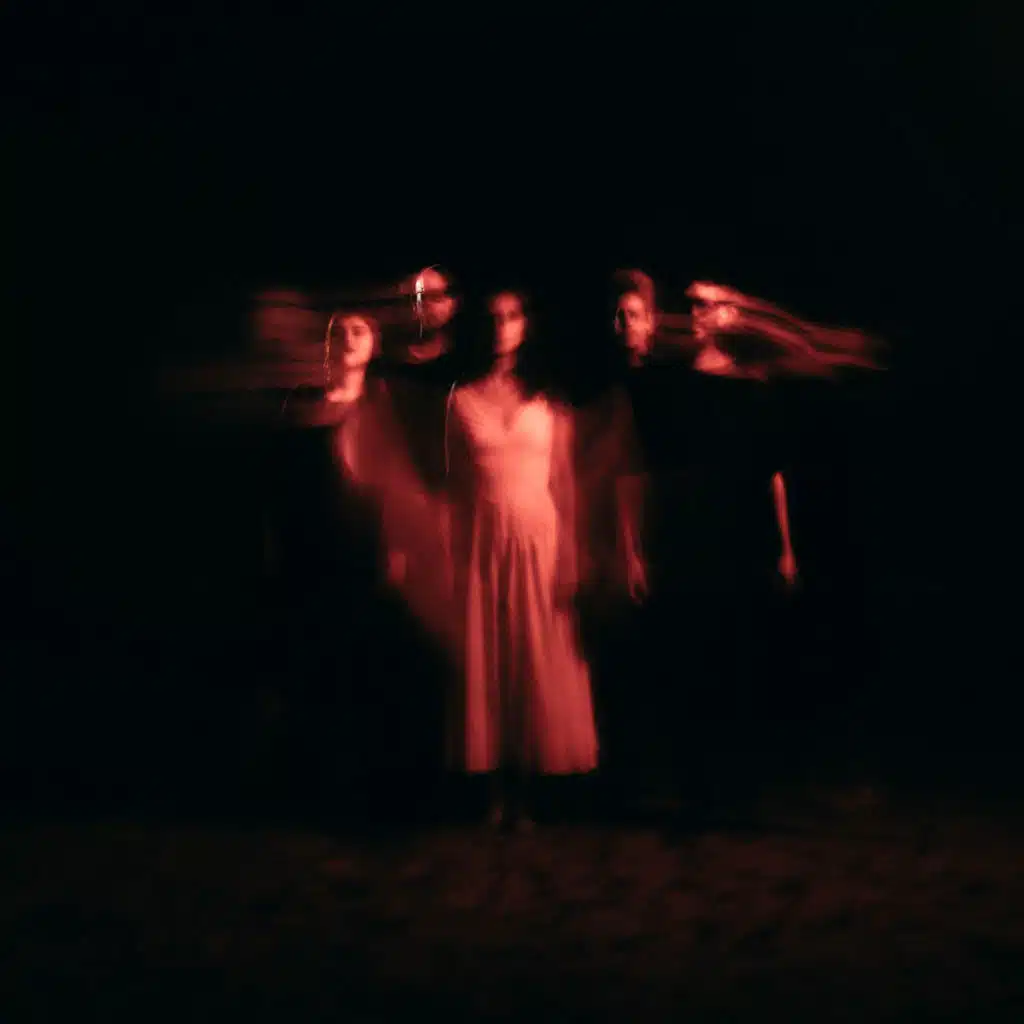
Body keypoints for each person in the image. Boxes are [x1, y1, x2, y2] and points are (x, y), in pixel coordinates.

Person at [444, 283, 598, 830]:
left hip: (539, 536)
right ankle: (492, 792)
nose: (501, 327)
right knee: (488, 659)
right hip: (484, 538)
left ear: (525, 326)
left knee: (535, 655)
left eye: (511, 316)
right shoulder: (460, 400)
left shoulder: (547, 401)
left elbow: (565, 482)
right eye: (493, 317)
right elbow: (452, 487)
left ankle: (529, 790)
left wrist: (572, 553)